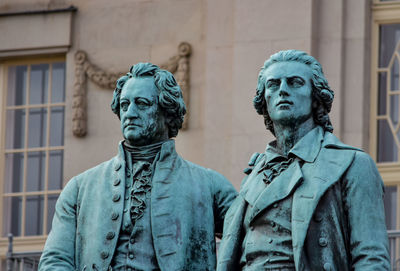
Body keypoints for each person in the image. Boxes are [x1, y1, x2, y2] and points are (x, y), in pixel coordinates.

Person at [39, 63, 237, 271]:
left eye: (141, 104)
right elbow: (55, 261)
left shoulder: (210, 186)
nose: (130, 113)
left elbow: (254, 243)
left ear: (168, 112)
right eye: (124, 105)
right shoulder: (80, 188)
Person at [217, 50, 390, 271]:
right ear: (265, 101)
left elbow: (371, 259)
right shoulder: (254, 174)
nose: (282, 91)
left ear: (315, 97)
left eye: (295, 83)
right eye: (273, 85)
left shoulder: (352, 164)